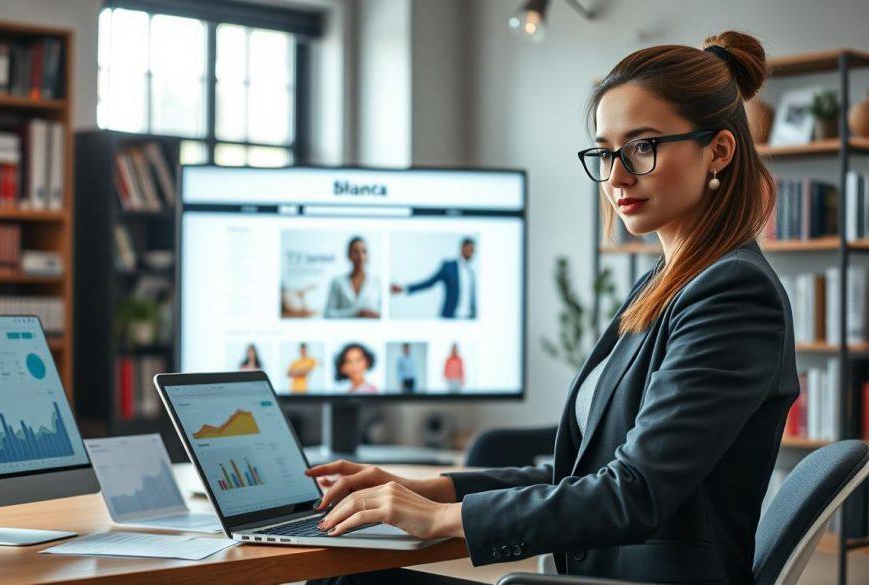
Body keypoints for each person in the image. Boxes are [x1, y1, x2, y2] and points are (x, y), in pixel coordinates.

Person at [306, 31, 798, 584]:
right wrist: (421, 489)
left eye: (643, 146)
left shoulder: (732, 293)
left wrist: (444, 519)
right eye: (607, 152)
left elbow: (634, 494)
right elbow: (576, 472)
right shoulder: (665, 283)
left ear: (720, 150)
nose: (615, 178)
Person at [391, 237, 476, 319]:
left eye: (473, 251)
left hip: (468, 319)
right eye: (470, 249)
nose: (471, 253)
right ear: (462, 248)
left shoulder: (470, 272)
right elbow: (429, 282)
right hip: (450, 318)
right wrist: (405, 288)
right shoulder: (449, 267)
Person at [324, 236, 382, 319]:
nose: (360, 256)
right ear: (349, 255)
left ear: (368, 255)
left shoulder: (378, 282)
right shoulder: (338, 282)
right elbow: (328, 314)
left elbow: (384, 313)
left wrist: (375, 314)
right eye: (355, 252)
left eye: (364, 252)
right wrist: (355, 313)